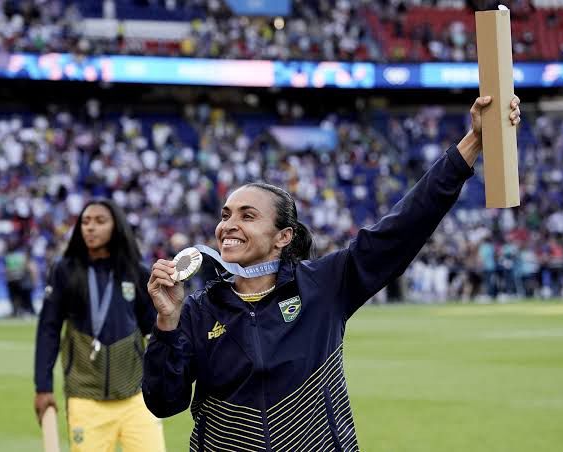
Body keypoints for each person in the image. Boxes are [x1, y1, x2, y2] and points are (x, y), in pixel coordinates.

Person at [143, 96, 522, 451]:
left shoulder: (323, 285)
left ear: (283, 237)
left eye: (247, 216)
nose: (228, 225)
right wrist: (166, 324)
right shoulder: (197, 310)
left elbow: (402, 228)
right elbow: (163, 402)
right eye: (225, 215)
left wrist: (471, 144)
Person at [33, 199, 166, 452]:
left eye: (99, 221)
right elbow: (48, 329)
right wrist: (43, 386)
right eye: (85, 221)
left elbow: (154, 330)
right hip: (85, 398)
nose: (90, 228)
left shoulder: (135, 271)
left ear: (116, 227)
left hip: (137, 396)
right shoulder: (65, 270)